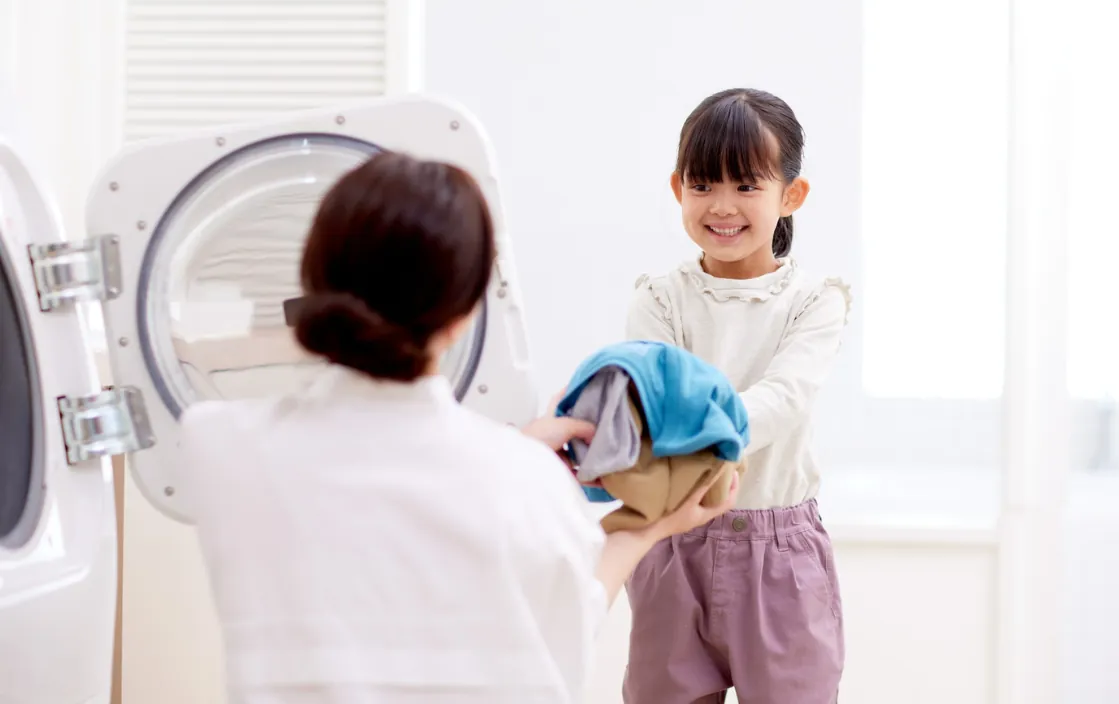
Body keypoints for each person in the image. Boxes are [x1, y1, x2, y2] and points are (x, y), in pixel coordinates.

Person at [180, 151, 739, 704]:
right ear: (465, 315)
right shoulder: (529, 482)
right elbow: (563, 648)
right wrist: (643, 531)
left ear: (310, 286)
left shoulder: (219, 445)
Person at [623, 88, 851, 703]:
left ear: (791, 195)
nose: (722, 206)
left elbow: (783, 398)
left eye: (747, 186)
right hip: (672, 544)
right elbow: (650, 402)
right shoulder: (660, 299)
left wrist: (687, 430)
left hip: (779, 556)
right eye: (703, 185)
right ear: (679, 190)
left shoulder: (815, 300)